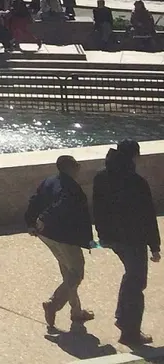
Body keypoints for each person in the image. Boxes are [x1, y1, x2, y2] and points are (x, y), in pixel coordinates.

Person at [93, 140, 160, 348]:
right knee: (136, 282)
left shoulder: (101, 176)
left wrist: (102, 234)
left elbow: (97, 208)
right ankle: (130, 331)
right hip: (133, 238)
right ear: (134, 156)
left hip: (112, 238)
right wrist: (155, 246)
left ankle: (123, 319)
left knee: (130, 276)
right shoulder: (136, 181)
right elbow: (147, 215)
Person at [25, 154, 93, 332]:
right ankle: (53, 303)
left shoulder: (49, 181)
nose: (79, 168)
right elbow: (63, 205)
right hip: (65, 237)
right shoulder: (70, 187)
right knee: (76, 273)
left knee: (68, 273)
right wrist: (44, 218)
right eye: (77, 165)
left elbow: (34, 200)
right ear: (70, 167)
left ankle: (76, 311)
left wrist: (32, 223)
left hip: (47, 235)